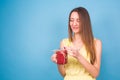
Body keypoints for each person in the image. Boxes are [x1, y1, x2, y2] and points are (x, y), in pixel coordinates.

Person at [51, 7, 102, 80]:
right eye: (71, 20)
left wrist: (79, 56)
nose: (74, 24)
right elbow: (64, 74)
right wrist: (58, 61)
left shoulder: (96, 43)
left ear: (85, 22)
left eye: (78, 20)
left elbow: (95, 73)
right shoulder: (64, 42)